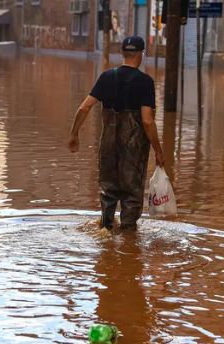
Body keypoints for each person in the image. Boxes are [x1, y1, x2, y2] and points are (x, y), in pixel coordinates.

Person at [68, 36, 164, 231]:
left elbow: (84, 108)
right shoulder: (145, 82)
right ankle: (128, 245)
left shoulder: (106, 77)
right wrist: (158, 151)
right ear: (141, 54)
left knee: (108, 190)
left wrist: (74, 134)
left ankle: (106, 230)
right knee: (131, 194)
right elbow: (147, 121)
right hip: (133, 149)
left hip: (108, 145)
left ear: (122, 53)